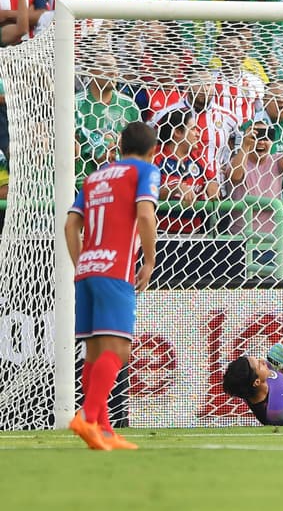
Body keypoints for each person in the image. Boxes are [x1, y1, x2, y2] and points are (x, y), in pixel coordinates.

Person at [64, 120, 160, 451]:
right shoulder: (145, 171)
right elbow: (145, 215)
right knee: (118, 350)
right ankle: (88, 417)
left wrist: (82, 263)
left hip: (88, 269)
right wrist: (148, 260)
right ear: (152, 151)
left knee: (94, 350)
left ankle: (103, 430)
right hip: (115, 268)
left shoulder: (94, 177)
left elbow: (70, 225)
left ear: (120, 147)